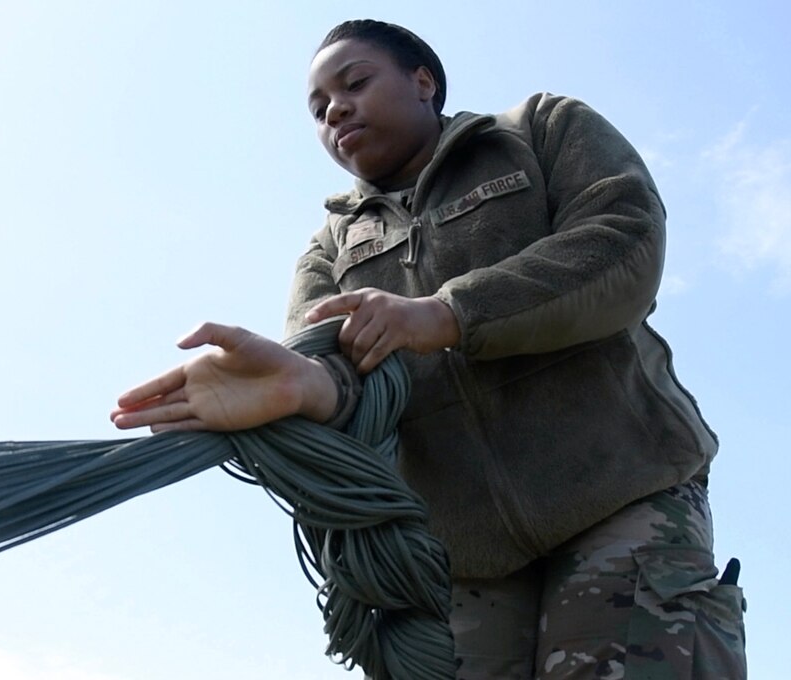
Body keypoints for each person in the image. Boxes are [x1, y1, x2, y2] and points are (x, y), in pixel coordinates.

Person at [111, 19, 746, 679]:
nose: (335, 109)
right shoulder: (329, 249)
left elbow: (624, 239)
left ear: (423, 82)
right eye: (318, 107)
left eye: (354, 83)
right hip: (461, 557)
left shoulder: (540, 131)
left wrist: (447, 314)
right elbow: (337, 369)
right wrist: (302, 387)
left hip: (624, 491)